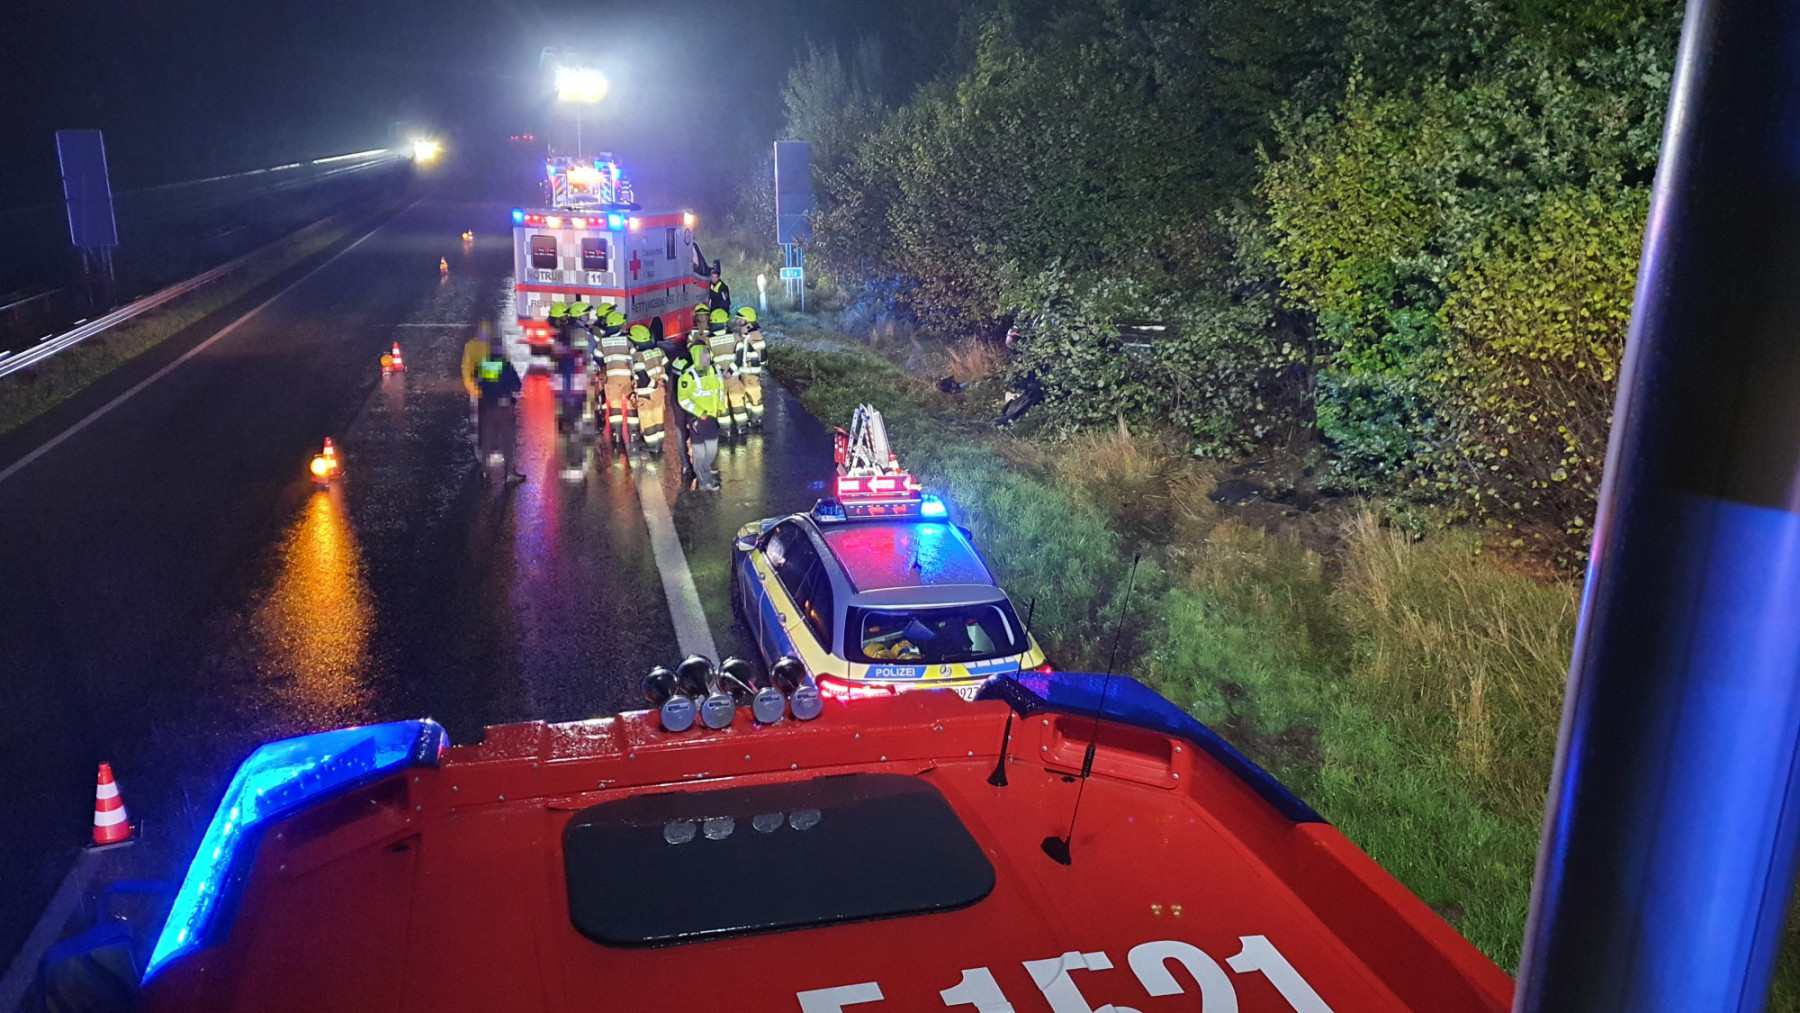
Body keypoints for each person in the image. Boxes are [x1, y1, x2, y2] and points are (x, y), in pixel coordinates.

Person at [676, 339, 729, 491]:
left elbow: (720, 390)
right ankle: (704, 482)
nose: (705, 357)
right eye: (702, 355)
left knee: (711, 450)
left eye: (706, 354)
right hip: (697, 419)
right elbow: (683, 399)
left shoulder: (714, 371)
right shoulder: (687, 376)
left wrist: (721, 407)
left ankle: (705, 471)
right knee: (699, 453)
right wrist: (700, 413)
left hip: (712, 418)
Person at [477, 334, 525, 482]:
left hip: (487, 406)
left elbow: (479, 383)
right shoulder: (505, 365)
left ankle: (484, 470)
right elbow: (517, 385)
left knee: (488, 437)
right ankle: (509, 473)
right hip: (503, 407)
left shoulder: (484, 364)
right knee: (508, 439)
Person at [706, 308, 748, 436]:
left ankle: (725, 430)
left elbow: (705, 362)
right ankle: (741, 428)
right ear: (725, 323)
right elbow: (740, 357)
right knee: (738, 402)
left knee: (721, 404)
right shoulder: (735, 337)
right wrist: (730, 371)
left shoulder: (707, 341)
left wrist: (720, 371)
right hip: (734, 377)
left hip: (718, 379)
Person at [629, 324, 668, 452]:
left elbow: (643, 377)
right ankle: (659, 444)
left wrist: (654, 385)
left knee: (648, 419)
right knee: (658, 418)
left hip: (646, 394)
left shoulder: (638, 356)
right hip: (659, 392)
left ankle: (652, 445)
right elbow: (667, 367)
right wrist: (662, 381)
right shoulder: (658, 351)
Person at [597, 314, 634, 447]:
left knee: (615, 409)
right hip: (627, 379)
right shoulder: (628, 340)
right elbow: (634, 357)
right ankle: (634, 434)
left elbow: (597, 357)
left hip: (611, 380)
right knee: (631, 407)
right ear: (619, 326)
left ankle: (616, 436)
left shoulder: (603, 341)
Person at [735, 307, 767, 427]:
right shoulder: (745, 333)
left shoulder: (754, 334)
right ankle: (750, 416)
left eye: (740, 319)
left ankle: (757, 417)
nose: (738, 321)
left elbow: (762, 354)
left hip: (751, 371)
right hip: (744, 371)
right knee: (747, 395)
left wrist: (757, 368)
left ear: (747, 320)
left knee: (754, 395)